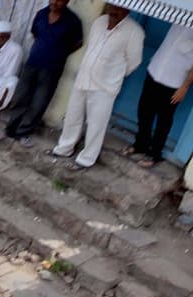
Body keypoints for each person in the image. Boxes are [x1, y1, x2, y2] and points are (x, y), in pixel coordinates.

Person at [50, 3, 143, 171]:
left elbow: (134, 62)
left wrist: (113, 74)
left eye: (118, 8)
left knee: (96, 124)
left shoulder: (135, 32)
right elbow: (91, 47)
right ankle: (64, 148)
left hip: (105, 86)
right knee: (72, 115)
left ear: (128, 9)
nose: (113, 10)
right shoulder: (100, 21)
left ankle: (86, 159)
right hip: (84, 78)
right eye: (112, 6)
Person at [0, 0, 83, 145]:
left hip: (52, 68)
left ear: (67, 1)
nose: (54, 2)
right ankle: (10, 129)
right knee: (20, 97)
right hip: (33, 62)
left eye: (59, 0)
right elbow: (35, 33)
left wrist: (60, 53)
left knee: (39, 102)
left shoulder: (73, 21)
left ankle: (23, 133)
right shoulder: (41, 14)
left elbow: (77, 43)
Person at [128, 24, 193, 168]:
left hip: (174, 83)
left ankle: (155, 154)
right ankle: (141, 144)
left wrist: (184, 87)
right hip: (155, 71)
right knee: (144, 112)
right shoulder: (180, 16)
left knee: (163, 121)